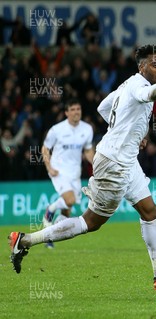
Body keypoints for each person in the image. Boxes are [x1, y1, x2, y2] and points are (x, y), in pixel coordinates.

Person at [9, 45, 156, 290]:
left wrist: (130, 131)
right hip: (114, 163)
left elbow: (102, 108)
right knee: (90, 222)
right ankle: (25, 240)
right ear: (142, 67)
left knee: (150, 212)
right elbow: (151, 96)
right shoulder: (140, 87)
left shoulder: (126, 86)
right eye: (155, 64)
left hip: (126, 161)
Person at [41, 100, 94, 249]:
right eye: (73, 109)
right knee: (69, 200)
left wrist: (95, 164)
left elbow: (88, 150)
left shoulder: (87, 129)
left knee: (67, 211)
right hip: (59, 171)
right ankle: (50, 209)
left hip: (75, 173)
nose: (76, 112)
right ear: (66, 113)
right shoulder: (57, 130)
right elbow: (45, 149)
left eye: (78, 109)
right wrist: (49, 167)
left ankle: (50, 236)